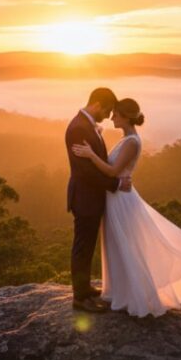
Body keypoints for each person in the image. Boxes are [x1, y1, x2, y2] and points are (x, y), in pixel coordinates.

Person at [72, 98, 181, 317]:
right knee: (118, 245)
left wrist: (90, 155)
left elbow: (111, 171)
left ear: (126, 117)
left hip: (121, 200)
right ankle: (121, 291)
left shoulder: (131, 142)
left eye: (116, 114)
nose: (112, 117)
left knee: (127, 245)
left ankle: (134, 294)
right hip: (116, 196)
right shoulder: (127, 139)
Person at [65, 87, 132, 313]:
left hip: (91, 196)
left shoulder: (86, 126)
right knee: (82, 247)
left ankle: (84, 289)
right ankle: (79, 298)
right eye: (107, 111)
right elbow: (85, 172)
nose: (108, 116)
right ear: (96, 105)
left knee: (88, 244)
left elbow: (95, 163)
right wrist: (115, 184)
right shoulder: (78, 128)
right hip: (85, 197)